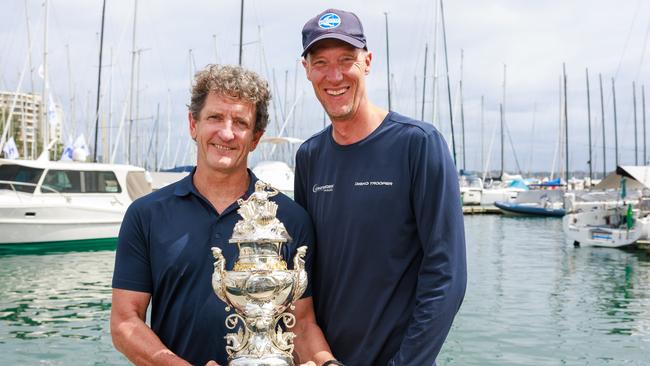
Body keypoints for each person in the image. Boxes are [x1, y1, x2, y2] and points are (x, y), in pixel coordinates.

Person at [111, 64, 333, 366]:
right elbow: (125, 322)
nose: (226, 133)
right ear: (193, 124)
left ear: (255, 137)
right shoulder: (146, 215)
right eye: (215, 117)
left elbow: (302, 326)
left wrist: (329, 364)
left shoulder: (289, 219)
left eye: (240, 122)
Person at [295, 9, 467, 366]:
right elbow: (304, 275)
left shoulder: (419, 144)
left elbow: (446, 276)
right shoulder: (309, 157)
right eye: (322, 62)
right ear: (307, 70)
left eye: (347, 60)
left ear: (368, 62)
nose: (335, 75)